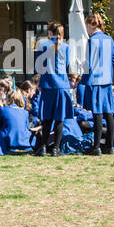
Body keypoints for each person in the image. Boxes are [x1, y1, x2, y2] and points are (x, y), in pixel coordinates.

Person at [33, 23, 72, 156]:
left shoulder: (43, 45)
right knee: (59, 119)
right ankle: (56, 148)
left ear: (50, 32)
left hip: (48, 85)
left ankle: (43, 148)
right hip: (62, 85)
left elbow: (38, 66)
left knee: (47, 119)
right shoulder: (66, 47)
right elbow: (66, 65)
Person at [84, 13, 114, 154]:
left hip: (96, 80)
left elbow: (88, 64)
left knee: (97, 114)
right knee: (109, 113)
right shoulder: (109, 39)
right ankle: (110, 146)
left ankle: (96, 147)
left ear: (91, 25)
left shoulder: (91, 41)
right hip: (107, 80)